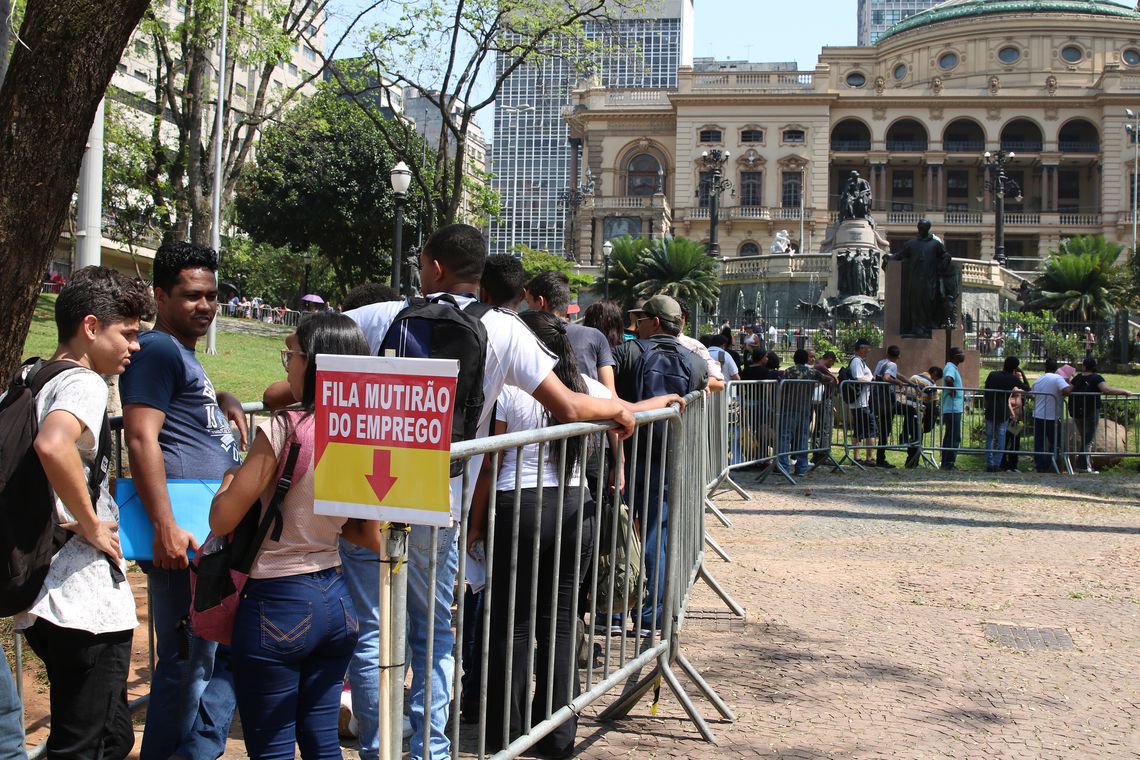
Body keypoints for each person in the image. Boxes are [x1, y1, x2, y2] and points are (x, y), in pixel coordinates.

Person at [346, 224, 634, 760]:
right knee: (433, 636)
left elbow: (311, 346)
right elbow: (568, 407)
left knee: (373, 633)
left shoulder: (382, 315)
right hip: (443, 498)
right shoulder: (505, 330)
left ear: (433, 266)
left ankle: (377, 746)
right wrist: (618, 409)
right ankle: (429, 750)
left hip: (370, 492)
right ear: (479, 273)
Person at [475, 311, 679, 756]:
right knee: (562, 620)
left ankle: (506, 734)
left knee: (512, 623)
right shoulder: (587, 388)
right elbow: (624, 409)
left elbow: (490, 463)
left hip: (519, 507)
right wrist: (662, 405)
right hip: (572, 508)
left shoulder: (509, 388)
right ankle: (559, 732)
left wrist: (473, 526)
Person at [210, 313, 383, 758]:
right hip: (337, 599)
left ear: (316, 363)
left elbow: (222, 520)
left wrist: (230, 479)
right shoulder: (358, 431)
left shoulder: (283, 429)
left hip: (277, 600)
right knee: (321, 737)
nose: (286, 365)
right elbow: (367, 533)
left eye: (292, 355)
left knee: (271, 746)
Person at [10, 267, 152, 760]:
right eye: (128, 334)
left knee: (112, 735)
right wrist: (91, 524)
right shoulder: (85, 384)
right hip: (80, 601)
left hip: (47, 594)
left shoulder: (32, 374)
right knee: (84, 744)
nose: (134, 346)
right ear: (91, 328)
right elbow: (54, 445)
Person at [120, 242, 248, 760]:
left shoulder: (180, 354)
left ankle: (198, 748)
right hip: (184, 534)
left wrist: (225, 402)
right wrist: (166, 525)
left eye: (212, 296)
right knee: (185, 659)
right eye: (191, 295)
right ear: (160, 295)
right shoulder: (157, 350)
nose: (205, 306)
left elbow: (183, 411)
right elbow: (141, 438)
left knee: (212, 652)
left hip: (208, 531)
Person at [610, 295, 708, 634]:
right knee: (657, 535)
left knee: (618, 531)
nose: (636, 326)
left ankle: (614, 611)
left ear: (653, 322)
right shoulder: (694, 362)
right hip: (668, 456)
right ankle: (652, 616)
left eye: (641, 319)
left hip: (627, 451)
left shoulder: (629, 352)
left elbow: (609, 397)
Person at [526, 271, 616, 393]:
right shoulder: (595, 336)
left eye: (529, 303)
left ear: (542, 302)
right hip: (589, 409)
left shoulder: (525, 336)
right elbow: (610, 394)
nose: (528, 309)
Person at [1069, 357, 1133, 473]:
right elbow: (1107, 390)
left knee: (1085, 438)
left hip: (1077, 412)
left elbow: (1068, 389)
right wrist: (1123, 391)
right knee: (1088, 439)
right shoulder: (1097, 378)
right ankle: (1083, 466)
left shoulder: (1077, 378)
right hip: (1091, 412)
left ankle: (1086, 464)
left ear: (1084, 366)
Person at [777, 349, 822, 476]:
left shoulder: (789, 371)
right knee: (802, 438)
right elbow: (827, 379)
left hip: (788, 408)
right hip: (804, 409)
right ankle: (802, 467)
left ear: (794, 358)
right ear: (806, 359)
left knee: (784, 437)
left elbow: (783, 388)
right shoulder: (812, 372)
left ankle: (783, 466)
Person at [982, 357, 1030, 472]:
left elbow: (986, 391)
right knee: (1001, 438)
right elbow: (1027, 388)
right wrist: (1022, 373)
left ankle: (989, 463)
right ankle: (997, 464)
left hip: (990, 410)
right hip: (1003, 411)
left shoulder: (992, 374)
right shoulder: (1012, 378)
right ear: (1015, 368)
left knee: (989, 438)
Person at [1031, 357, 1072, 473]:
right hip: (1051, 416)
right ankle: (1051, 464)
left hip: (1038, 415)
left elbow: (1032, 394)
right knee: (1054, 442)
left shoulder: (1039, 379)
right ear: (1056, 368)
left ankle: (1040, 465)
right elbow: (1067, 390)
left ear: (1045, 367)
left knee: (1039, 442)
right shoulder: (1057, 378)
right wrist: (1071, 383)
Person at [872, 345, 910, 469]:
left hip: (880, 400)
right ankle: (904, 436)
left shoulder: (882, 362)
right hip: (887, 401)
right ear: (899, 356)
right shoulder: (892, 365)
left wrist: (910, 383)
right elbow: (887, 377)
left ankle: (880, 457)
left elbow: (896, 374)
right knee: (911, 410)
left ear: (887, 353)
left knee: (884, 430)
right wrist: (899, 383)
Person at [903, 366, 942, 468]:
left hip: (907, 409)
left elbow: (905, 392)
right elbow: (934, 401)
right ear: (934, 373)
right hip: (918, 412)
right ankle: (912, 462)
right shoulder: (931, 383)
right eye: (936, 378)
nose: (936, 380)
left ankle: (910, 461)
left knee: (912, 437)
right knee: (917, 437)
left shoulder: (913, 377)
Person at [847, 339, 877, 467]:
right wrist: (871, 379)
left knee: (858, 430)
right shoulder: (856, 361)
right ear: (860, 348)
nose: (869, 350)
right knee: (872, 430)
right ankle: (869, 458)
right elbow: (858, 378)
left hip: (860, 403)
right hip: (861, 403)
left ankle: (857, 458)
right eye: (867, 348)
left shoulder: (859, 361)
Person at [940, 347, 966, 471]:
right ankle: (949, 462)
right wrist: (952, 390)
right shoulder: (950, 367)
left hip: (952, 408)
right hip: (952, 408)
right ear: (955, 356)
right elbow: (948, 379)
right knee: (954, 437)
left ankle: (945, 462)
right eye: (961, 354)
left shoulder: (951, 367)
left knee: (949, 436)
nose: (963, 355)